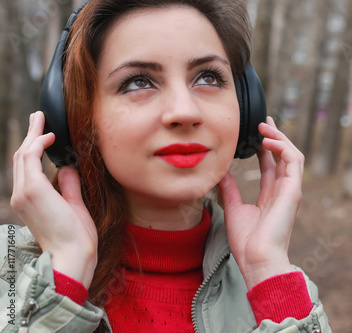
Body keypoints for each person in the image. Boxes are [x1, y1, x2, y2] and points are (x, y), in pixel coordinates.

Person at [0, 0, 331, 332]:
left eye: (208, 77)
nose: (184, 111)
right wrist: (63, 278)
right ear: (77, 118)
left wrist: (267, 273)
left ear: (247, 109)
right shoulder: (7, 269)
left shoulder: (282, 289)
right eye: (139, 82)